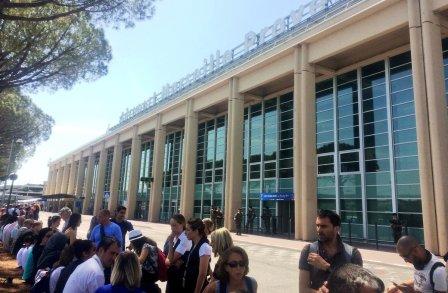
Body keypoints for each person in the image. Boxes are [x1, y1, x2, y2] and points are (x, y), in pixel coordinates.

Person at [298, 209, 363, 292]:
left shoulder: (352, 253)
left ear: (336, 229)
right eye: (317, 226)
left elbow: (358, 287)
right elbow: (302, 289)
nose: (319, 230)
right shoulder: (308, 251)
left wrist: (327, 267)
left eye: (324, 226)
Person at [182, 218, 212, 293]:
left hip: (196, 288)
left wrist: (197, 291)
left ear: (196, 231)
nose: (185, 232)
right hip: (188, 286)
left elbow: (202, 274)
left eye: (188, 230)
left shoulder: (204, 246)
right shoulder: (193, 244)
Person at [164, 213, 192, 293]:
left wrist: (170, 244)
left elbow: (169, 261)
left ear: (182, 224)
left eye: (174, 225)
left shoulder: (185, 239)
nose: (172, 228)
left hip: (179, 278)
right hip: (173, 276)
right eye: (171, 225)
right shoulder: (176, 237)